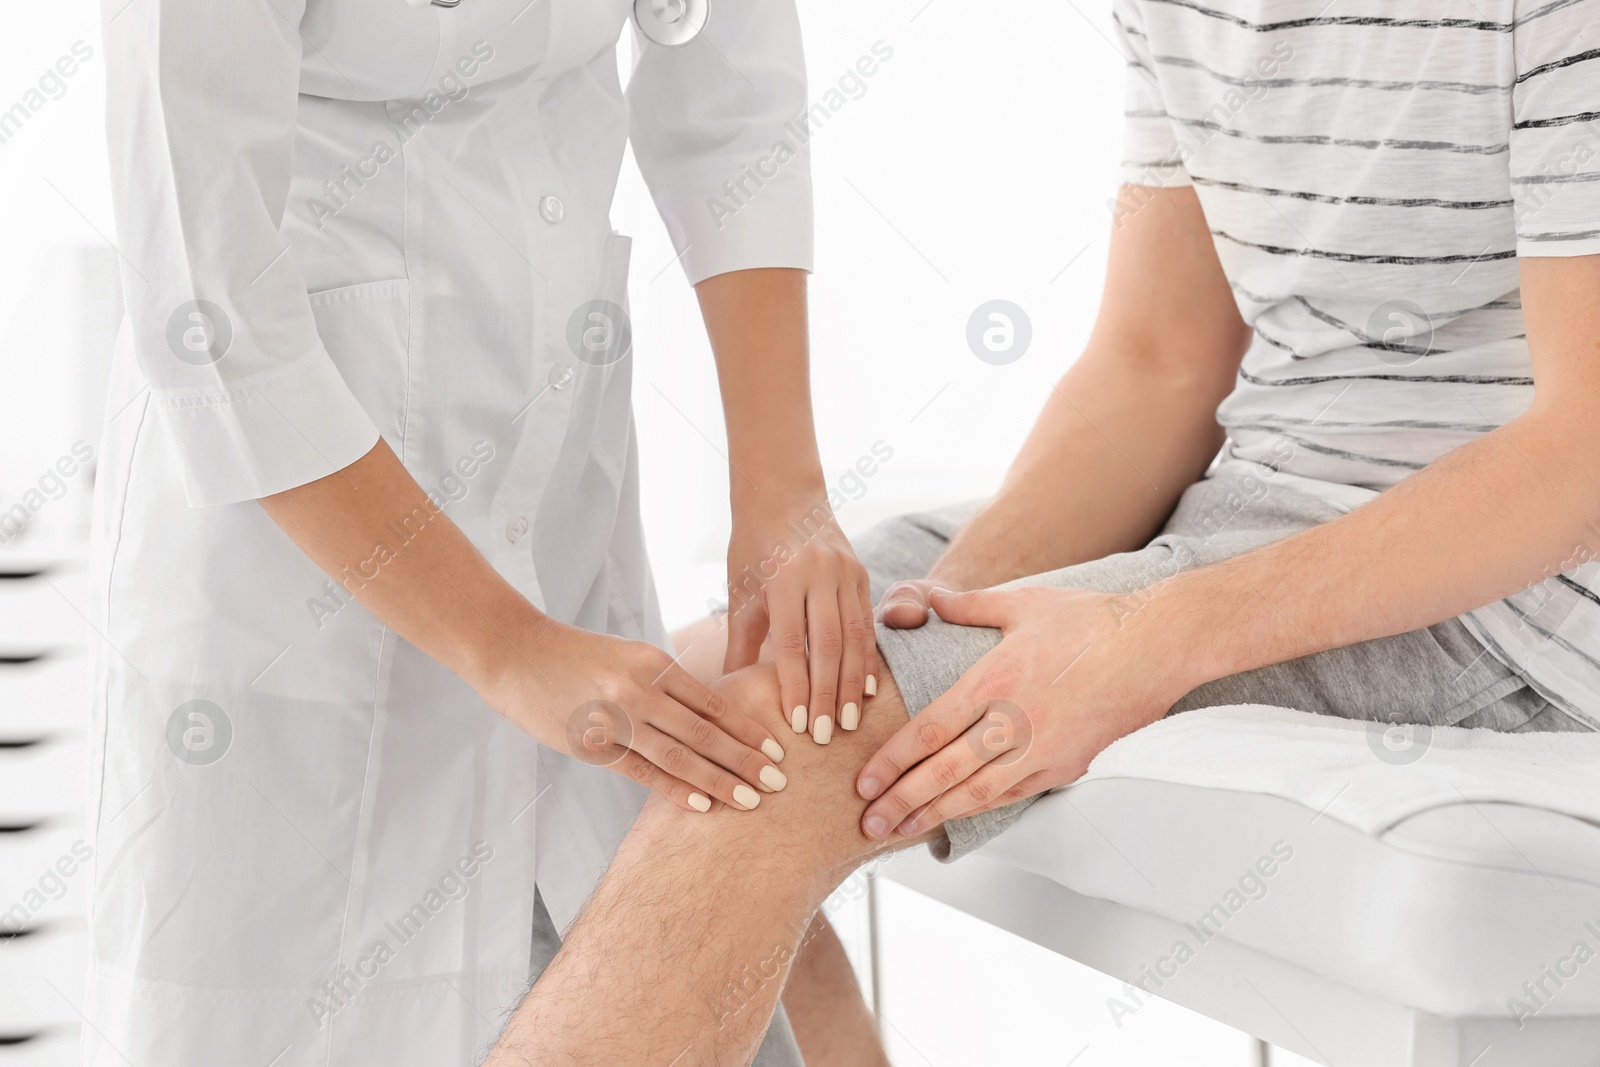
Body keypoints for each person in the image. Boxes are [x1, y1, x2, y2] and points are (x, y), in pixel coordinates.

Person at [642, 1, 1600, 1060]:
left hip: (1510, 603)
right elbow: (1158, 362)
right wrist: (922, 628)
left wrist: (1146, 636)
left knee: (760, 762)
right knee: (680, 705)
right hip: (1251, 494)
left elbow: (1585, 454)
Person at [87, 1, 873, 1064]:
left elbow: (729, 87)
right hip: (298, 583)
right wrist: (507, 645)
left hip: (560, 515)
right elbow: (209, 312)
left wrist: (783, 494)